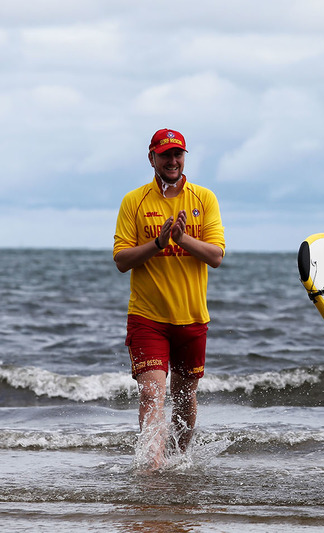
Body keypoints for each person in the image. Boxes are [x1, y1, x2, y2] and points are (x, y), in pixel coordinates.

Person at [113, 128, 226, 469]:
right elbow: (121, 260)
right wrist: (159, 244)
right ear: (152, 159)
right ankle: (152, 466)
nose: (172, 161)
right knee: (151, 394)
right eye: (165, 155)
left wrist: (181, 239)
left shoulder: (203, 198)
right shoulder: (134, 201)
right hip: (147, 317)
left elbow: (216, 256)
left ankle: (182, 458)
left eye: (178, 155)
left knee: (184, 396)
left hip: (191, 318)